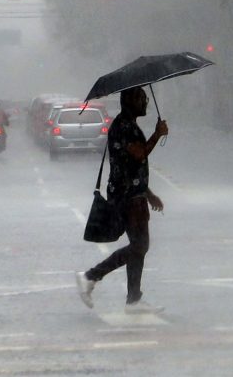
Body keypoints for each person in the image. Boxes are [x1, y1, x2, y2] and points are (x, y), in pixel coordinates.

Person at [76, 87, 168, 313]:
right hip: (126, 197)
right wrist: (158, 134)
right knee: (140, 245)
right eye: (141, 98)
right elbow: (139, 154)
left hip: (134, 194)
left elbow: (132, 166)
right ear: (128, 101)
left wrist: (148, 193)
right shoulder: (123, 127)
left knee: (140, 246)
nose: (145, 102)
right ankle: (90, 276)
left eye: (146, 98)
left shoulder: (128, 124)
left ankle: (133, 300)